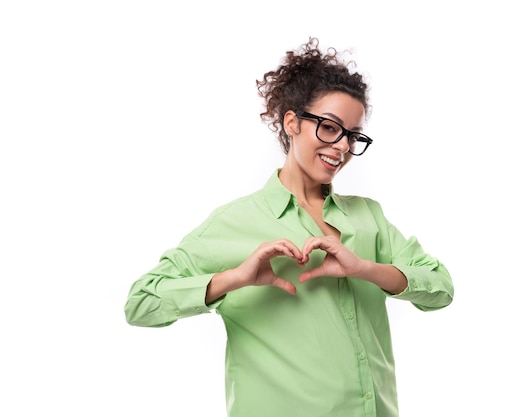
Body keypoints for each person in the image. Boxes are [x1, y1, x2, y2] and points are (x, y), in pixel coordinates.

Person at [124, 37, 454, 417]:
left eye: (352, 135)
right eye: (330, 128)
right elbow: (140, 304)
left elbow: (441, 287)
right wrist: (233, 279)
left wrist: (364, 268)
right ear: (292, 122)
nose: (342, 147)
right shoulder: (234, 223)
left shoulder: (368, 218)